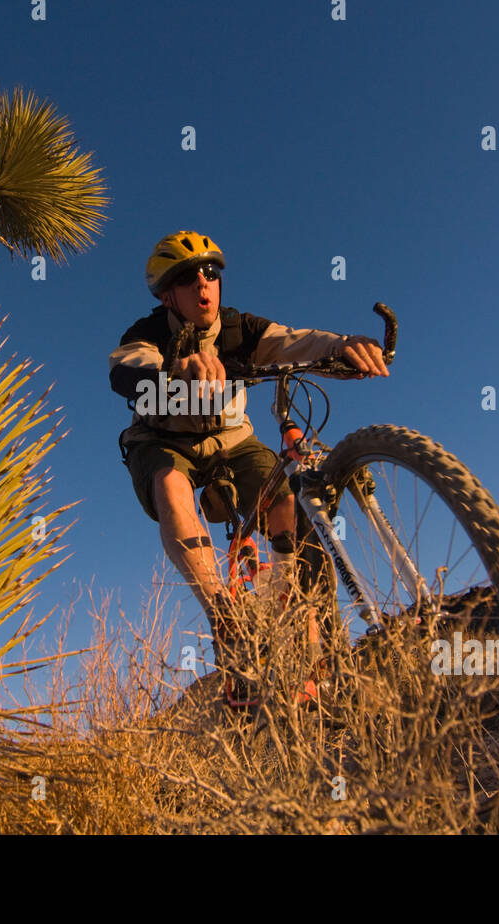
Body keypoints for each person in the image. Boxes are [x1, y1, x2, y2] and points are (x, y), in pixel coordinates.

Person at [108, 230, 389, 701]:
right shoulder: (148, 332)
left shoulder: (240, 329)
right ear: (165, 294)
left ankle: (292, 609)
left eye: (211, 272)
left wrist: (341, 346)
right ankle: (227, 618)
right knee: (170, 484)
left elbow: (293, 343)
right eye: (186, 276)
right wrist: (175, 372)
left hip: (231, 439)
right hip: (162, 439)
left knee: (285, 498)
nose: (203, 283)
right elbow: (127, 368)